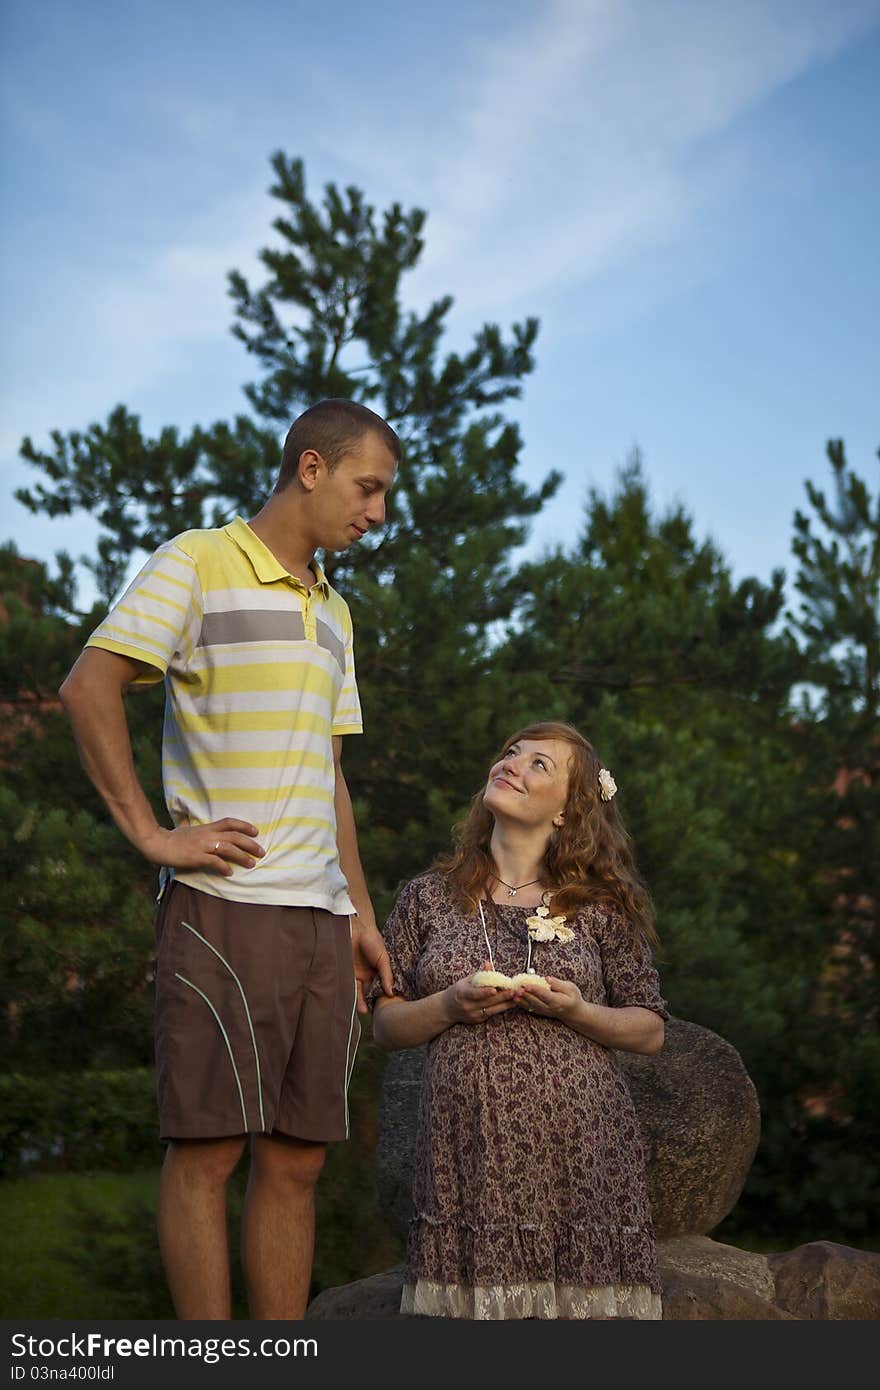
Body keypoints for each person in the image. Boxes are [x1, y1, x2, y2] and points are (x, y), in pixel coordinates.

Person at [59, 397, 398, 1320]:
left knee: (299, 1161)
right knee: (208, 1153)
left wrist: (360, 915)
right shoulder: (197, 561)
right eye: (369, 488)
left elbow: (328, 777)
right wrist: (152, 835)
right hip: (223, 909)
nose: (377, 513)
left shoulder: (337, 613)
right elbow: (89, 686)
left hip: (322, 924)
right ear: (314, 468)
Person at [371, 720, 668, 1320]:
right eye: (511, 753)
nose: (511, 765)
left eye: (539, 765)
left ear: (567, 811)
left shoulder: (600, 904)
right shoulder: (427, 897)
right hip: (468, 1162)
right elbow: (386, 1026)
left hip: (583, 1157)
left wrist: (578, 1011)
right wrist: (450, 1005)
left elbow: (651, 1029)